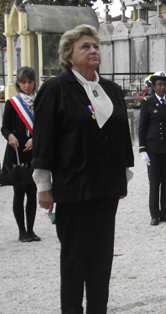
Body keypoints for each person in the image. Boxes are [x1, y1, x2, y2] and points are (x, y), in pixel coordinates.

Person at [32, 24, 134, 314]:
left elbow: (120, 134)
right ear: (69, 56)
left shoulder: (110, 89)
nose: (93, 50)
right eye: (85, 47)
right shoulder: (55, 90)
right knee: (76, 259)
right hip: (73, 188)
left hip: (106, 188)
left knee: (102, 259)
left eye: (95, 46)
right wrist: (43, 185)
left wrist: (122, 176)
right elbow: (44, 141)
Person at [0, 66, 40, 243]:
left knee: (32, 191)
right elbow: (5, 127)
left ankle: (31, 229)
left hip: (34, 151)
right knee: (19, 192)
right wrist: (9, 136)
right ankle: (21, 231)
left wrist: (36, 138)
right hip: (17, 151)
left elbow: (45, 125)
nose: (27, 85)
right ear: (18, 83)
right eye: (23, 82)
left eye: (30, 82)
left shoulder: (40, 101)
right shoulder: (12, 103)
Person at [139, 71, 166, 226]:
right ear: (154, 86)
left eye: (164, 84)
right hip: (154, 148)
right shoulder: (147, 102)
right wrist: (143, 149)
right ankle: (154, 214)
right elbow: (142, 127)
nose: (162, 87)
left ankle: (165, 212)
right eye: (159, 84)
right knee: (155, 182)